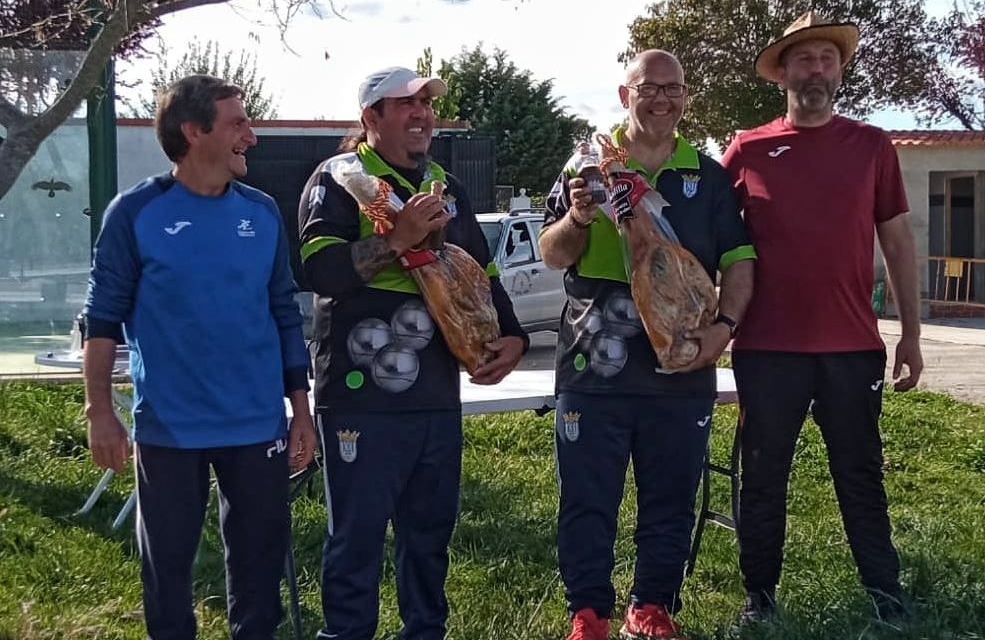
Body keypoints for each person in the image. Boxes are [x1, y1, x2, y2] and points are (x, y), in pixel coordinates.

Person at [298, 66, 528, 640]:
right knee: (357, 535)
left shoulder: (446, 185)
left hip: (434, 390)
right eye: (406, 104)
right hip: (359, 395)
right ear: (370, 117)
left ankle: (425, 631)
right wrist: (397, 237)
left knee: (429, 535)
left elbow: (482, 272)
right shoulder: (341, 178)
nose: (423, 113)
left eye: (426, 103)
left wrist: (514, 335)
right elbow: (320, 271)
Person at [82, 74, 316, 639]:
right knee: (167, 577)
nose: (251, 136)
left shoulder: (261, 212)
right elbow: (102, 319)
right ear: (193, 131)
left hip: (256, 424)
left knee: (259, 580)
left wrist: (301, 411)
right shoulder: (134, 212)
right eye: (237, 123)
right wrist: (100, 411)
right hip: (170, 428)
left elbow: (284, 312)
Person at [539, 49, 756, 640]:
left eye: (673, 88)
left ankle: (651, 607)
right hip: (593, 366)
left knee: (671, 497)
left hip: (681, 365)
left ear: (685, 96)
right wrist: (578, 219)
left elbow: (739, 260)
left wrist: (724, 328)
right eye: (648, 88)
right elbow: (552, 253)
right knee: (587, 499)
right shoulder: (586, 166)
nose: (662, 99)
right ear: (624, 95)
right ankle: (589, 613)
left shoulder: (707, 175)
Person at [721, 11, 924, 626]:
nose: (817, 69)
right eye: (805, 59)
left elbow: (897, 241)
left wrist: (911, 333)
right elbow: (713, 245)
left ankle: (886, 596)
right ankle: (759, 597)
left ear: (839, 71)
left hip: (851, 347)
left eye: (827, 59)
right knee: (763, 477)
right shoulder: (747, 149)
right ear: (783, 73)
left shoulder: (871, 146)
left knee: (860, 474)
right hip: (767, 348)